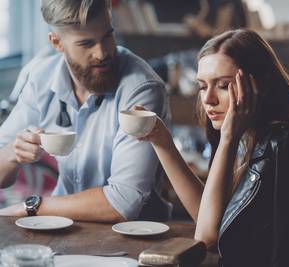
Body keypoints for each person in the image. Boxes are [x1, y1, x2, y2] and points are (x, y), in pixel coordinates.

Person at [134, 29, 289, 266]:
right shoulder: (259, 139)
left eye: (223, 85)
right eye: (202, 86)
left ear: (257, 86)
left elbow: (208, 235)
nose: (209, 99)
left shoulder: (284, 145)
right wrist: (162, 141)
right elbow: (211, 215)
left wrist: (228, 137)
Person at [0, 0, 171, 222]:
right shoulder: (41, 77)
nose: (102, 53)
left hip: (135, 237)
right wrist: (14, 154)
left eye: (108, 36)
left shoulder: (141, 89)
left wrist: (32, 207)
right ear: (57, 42)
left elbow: (123, 202)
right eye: (86, 43)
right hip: (61, 229)